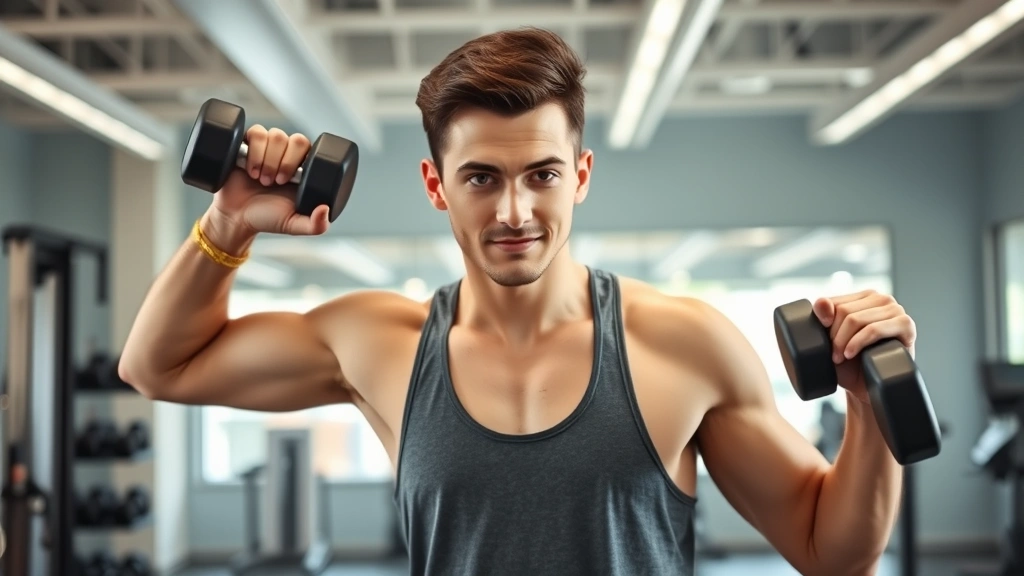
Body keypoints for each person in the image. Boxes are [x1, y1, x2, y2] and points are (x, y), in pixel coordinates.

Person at [119, 27, 914, 576]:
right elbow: (159, 367)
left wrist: (869, 408)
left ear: (582, 174)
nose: (513, 214)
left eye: (542, 175)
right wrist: (228, 223)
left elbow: (830, 551)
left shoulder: (682, 344)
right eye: (481, 178)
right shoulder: (376, 343)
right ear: (436, 185)